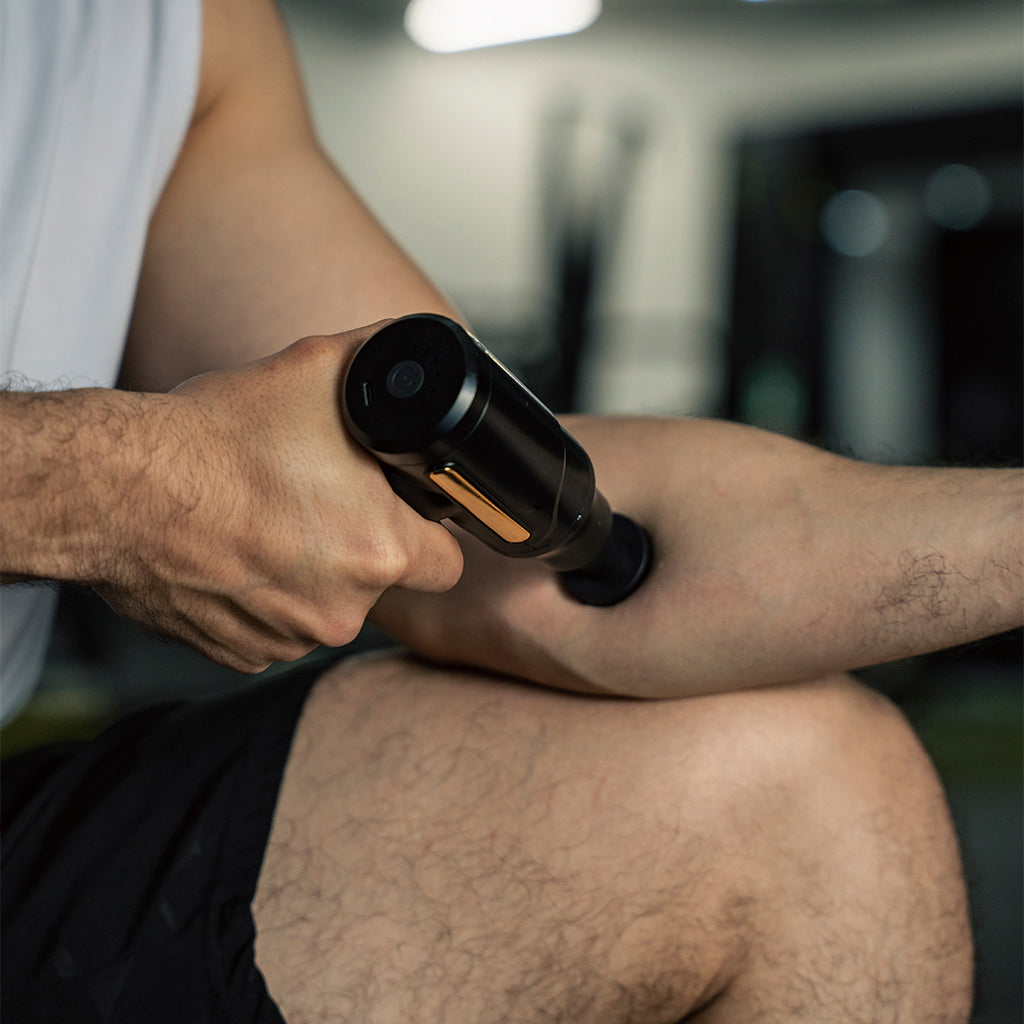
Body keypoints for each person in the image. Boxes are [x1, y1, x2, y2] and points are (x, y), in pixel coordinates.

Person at [1, 0, 1019, 1020]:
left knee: (822, 784)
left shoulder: (183, 28)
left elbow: (538, 553)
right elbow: (135, 479)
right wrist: (106, 487)